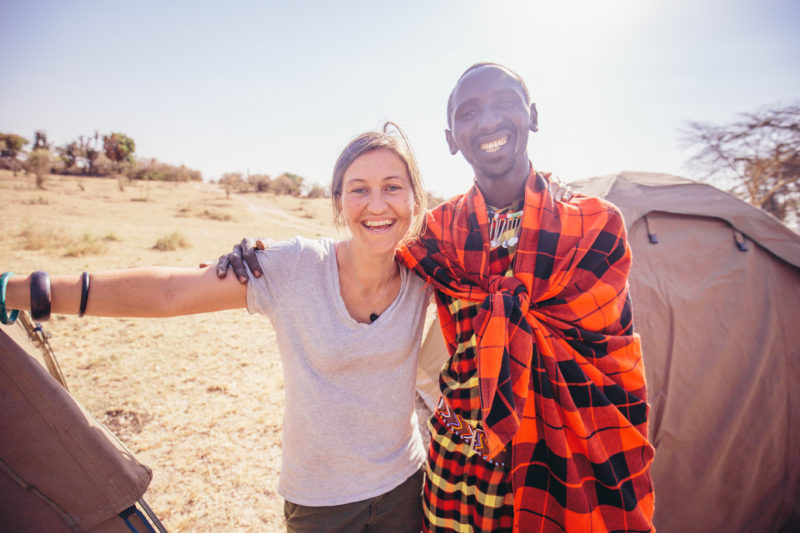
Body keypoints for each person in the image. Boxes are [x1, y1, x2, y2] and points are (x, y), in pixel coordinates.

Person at [221, 63, 655, 532]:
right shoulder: (439, 233)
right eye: (469, 112)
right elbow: (370, 250)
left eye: (504, 103)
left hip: (565, 453)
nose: (488, 121)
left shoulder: (591, 225)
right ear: (452, 138)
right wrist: (270, 258)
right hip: (462, 462)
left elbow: (611, 364)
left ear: (532, 116)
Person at [1, 123, 433, 533]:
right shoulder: (295, 267)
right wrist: (22, 290)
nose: (377, 204)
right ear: (339, 201)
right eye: (360, 189)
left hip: (405, 487)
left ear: (416, 198)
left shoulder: (427, 273)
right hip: (321, 503)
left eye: (393, 186)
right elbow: (170, 292)